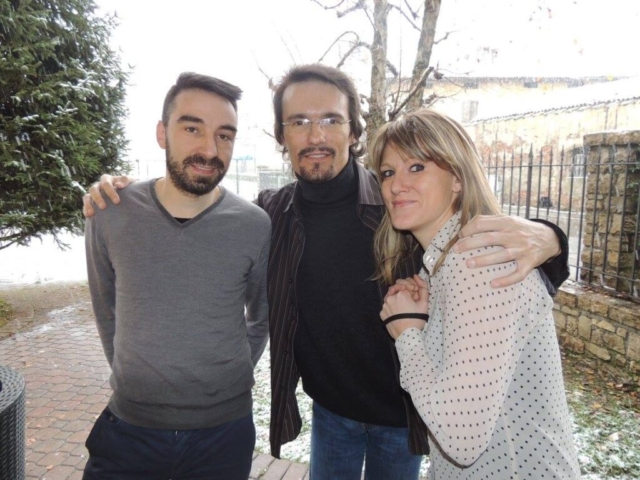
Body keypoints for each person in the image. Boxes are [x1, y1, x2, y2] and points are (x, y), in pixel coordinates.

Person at [82, 64, 569, 480]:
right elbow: (204, 212)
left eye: (331, 120)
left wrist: (552, 239)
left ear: (353, 132)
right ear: (282, 137)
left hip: (404, 415)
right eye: (299, 122)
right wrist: (120, 194)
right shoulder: (269, 214)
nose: (315, 136)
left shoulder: (398, 204)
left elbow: (477, 239)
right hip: (331, 414)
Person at [373, 109, 580, 479]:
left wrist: (407, 333)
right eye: (388, 172)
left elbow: (461, 439)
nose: (396, 185)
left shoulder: (478, 262)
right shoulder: (443, 262)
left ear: (457, 178)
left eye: (416, 167)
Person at [83, 72, 271, 479]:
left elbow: (262, 316)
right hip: (129, 431)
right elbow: (106, 308)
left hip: (224, 435)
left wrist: (231, 374)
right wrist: (136, 379)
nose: (210, 149)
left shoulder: (254, 225)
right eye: (192, 128)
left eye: (224, 135)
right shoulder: (110, 213)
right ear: (161, 133)